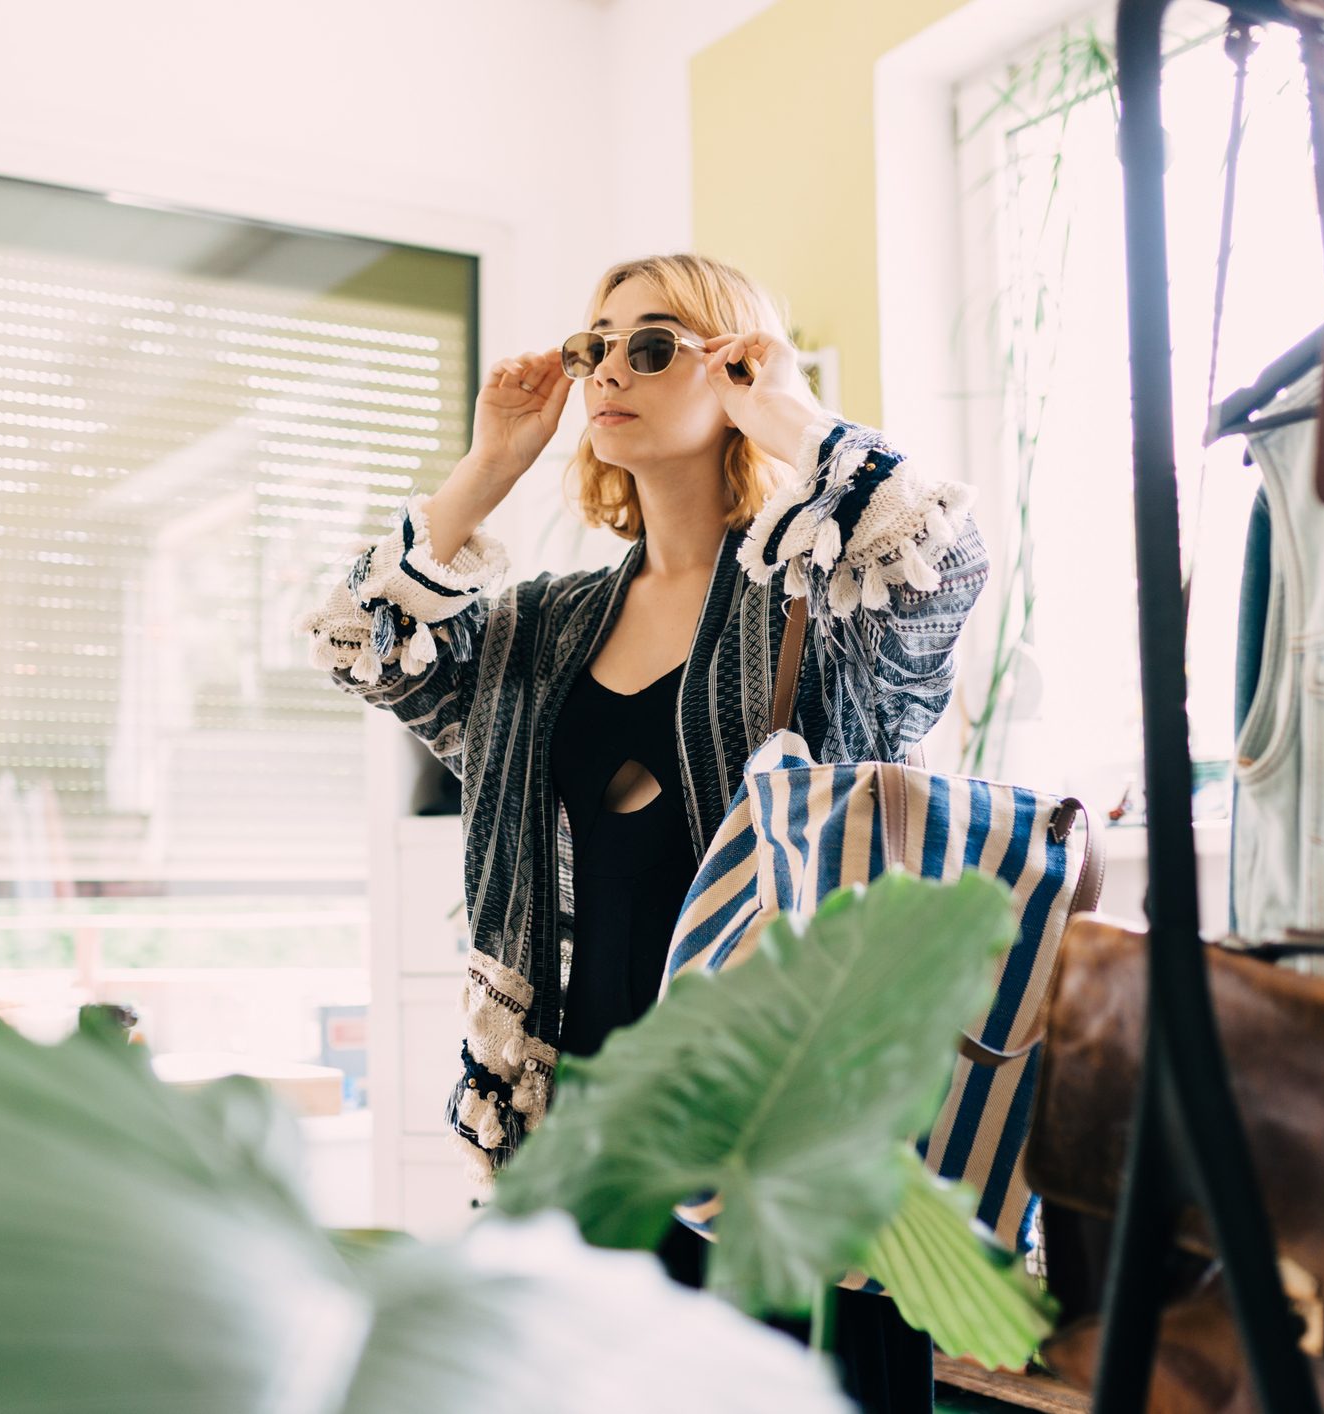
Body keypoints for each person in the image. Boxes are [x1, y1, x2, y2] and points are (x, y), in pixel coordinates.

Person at [302, 253, 987, 1410]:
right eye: (596, 345)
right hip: (581, 1121)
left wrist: (797, 417)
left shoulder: (820, 603)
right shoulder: (542, 627)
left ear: (735, 367)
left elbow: (943, 567)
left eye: (654, 343)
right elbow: (359, 641)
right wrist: (487, 469)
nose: (611, 366)